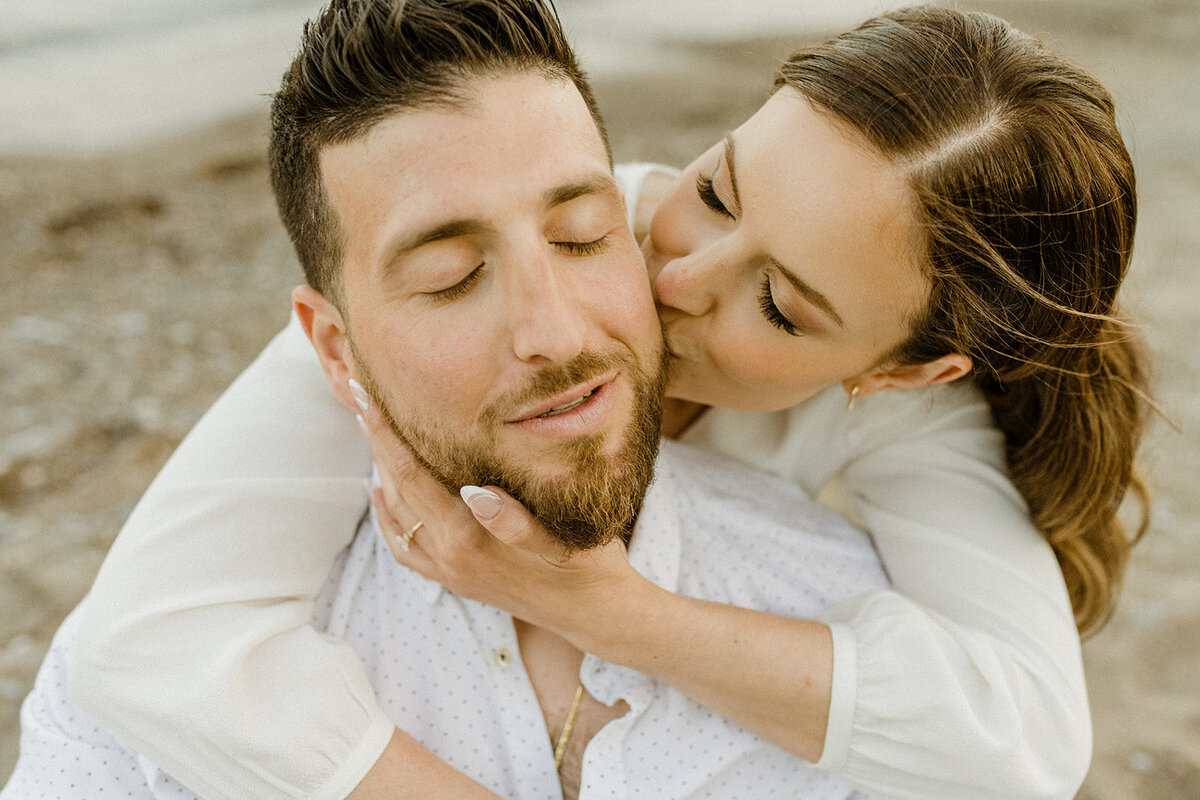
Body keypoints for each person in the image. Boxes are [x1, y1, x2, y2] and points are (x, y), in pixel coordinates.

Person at [57, 2, 1149, 799]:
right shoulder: (545, 234)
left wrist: (601, 606)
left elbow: (1019, 742)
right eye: (716, 190)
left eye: (778, 306)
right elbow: (145, 638)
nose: (673, 278)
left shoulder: (902, 410)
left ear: (900, 368)